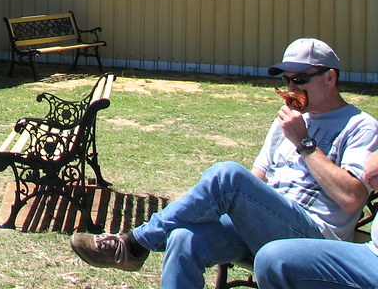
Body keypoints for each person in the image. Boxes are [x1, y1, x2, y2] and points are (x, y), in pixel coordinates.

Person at [70, 38, 378, 289]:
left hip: (315, 239)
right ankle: (137, 244)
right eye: (286, 80)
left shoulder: (359, 126)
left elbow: (352, 199)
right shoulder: (289, 121)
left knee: (226, 175)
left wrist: (306, 143)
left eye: (300, 79)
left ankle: (136, 243)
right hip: (266, 225)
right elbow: (256, 179)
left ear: (330, 77)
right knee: (183, 237)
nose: (291, 88)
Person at [251, 148, 378, 289]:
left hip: (317, 228)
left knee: (230, 176)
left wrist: (304, 143)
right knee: (273, 259)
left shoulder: (364, 127)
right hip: (372, 251)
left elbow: (352, 196)